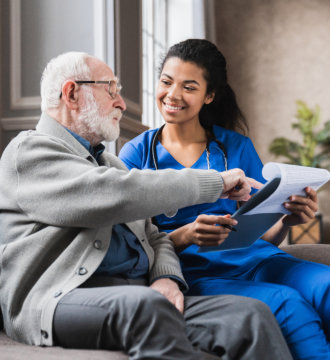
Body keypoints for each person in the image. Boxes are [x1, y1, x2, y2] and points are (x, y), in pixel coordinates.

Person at [0, 51, 293, 360]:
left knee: (250, 315)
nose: (121, 104)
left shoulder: (109, 162)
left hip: (135, 293)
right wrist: (216, 183)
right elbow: (115, 194)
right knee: (146, 307)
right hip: (56, 300)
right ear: (71, 93)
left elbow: (153, 236)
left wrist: (165, 277)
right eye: (110, 89)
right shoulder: (29, 153)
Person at [119, 39, 330, 360]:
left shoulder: (235, 146)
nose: (173, 94)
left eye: (188, 87)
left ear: (209, 95)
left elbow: (260, 235)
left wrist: (287, 219)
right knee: (288, 304)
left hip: (259, 261)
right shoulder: (137, 154)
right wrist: (185, 235)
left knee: (326, 284)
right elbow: (133, 244)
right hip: (200, 275)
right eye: (166, 81)